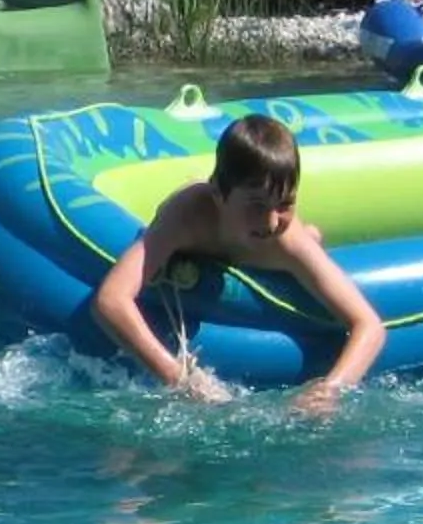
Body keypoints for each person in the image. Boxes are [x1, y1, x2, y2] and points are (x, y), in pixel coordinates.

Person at [88, 113, 386, 414]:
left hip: (277, 248)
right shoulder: (187, 218)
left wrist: (329, 390)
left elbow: (369, 325)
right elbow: (110, 300)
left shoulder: (286, 241)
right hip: (196, 228)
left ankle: (310, 233)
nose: (270, 222)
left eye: (285, 204)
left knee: (308, 238)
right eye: (256, 205)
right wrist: (178, 376)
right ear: (219, 193)